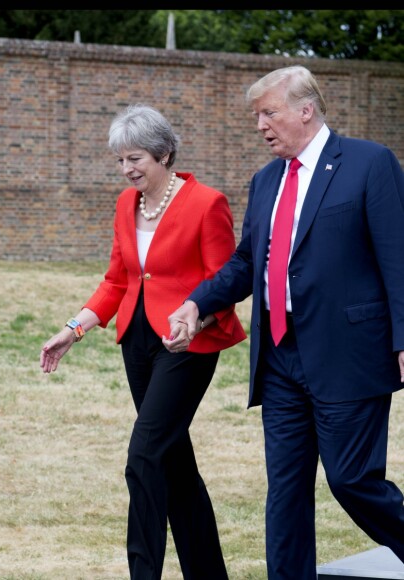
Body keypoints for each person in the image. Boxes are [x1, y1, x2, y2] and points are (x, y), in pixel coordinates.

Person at [164, 65, 404, 579]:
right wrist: (197, 304)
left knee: (352, 479)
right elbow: (248, 262)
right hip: (279, 360)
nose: (260, 125)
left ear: (305, 109)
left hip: (348, 354)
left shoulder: (369, 163)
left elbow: (398, 258)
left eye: (268, 112)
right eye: (257, 116)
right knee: (286, 491)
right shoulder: (266, 180)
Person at [40, 103, 246, 579]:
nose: (127, 169)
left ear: (164, 154)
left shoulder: (206, 203)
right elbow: (117, 281)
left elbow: (226, 281)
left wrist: (196, 320)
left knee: (144, 456)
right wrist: (73, 330)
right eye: (120, 160)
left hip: (187, 345)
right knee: (175, 465)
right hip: (137, 342)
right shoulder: (124, 204)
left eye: (136, 159)